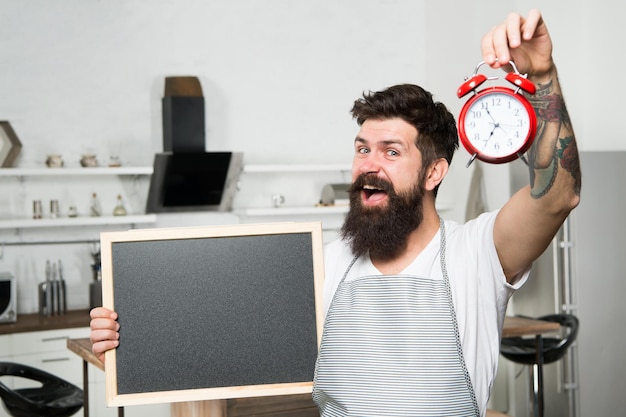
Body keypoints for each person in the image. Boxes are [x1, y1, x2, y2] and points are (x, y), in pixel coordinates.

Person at [90, 9, 580, 417]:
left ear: (434, 173)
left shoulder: (479, 254)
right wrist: (130, 336)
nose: (368, 166)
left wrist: (540, 75)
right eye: (362, 149)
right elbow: (212, 339)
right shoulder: (323, 266)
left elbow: (557, 195)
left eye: (391, 152)